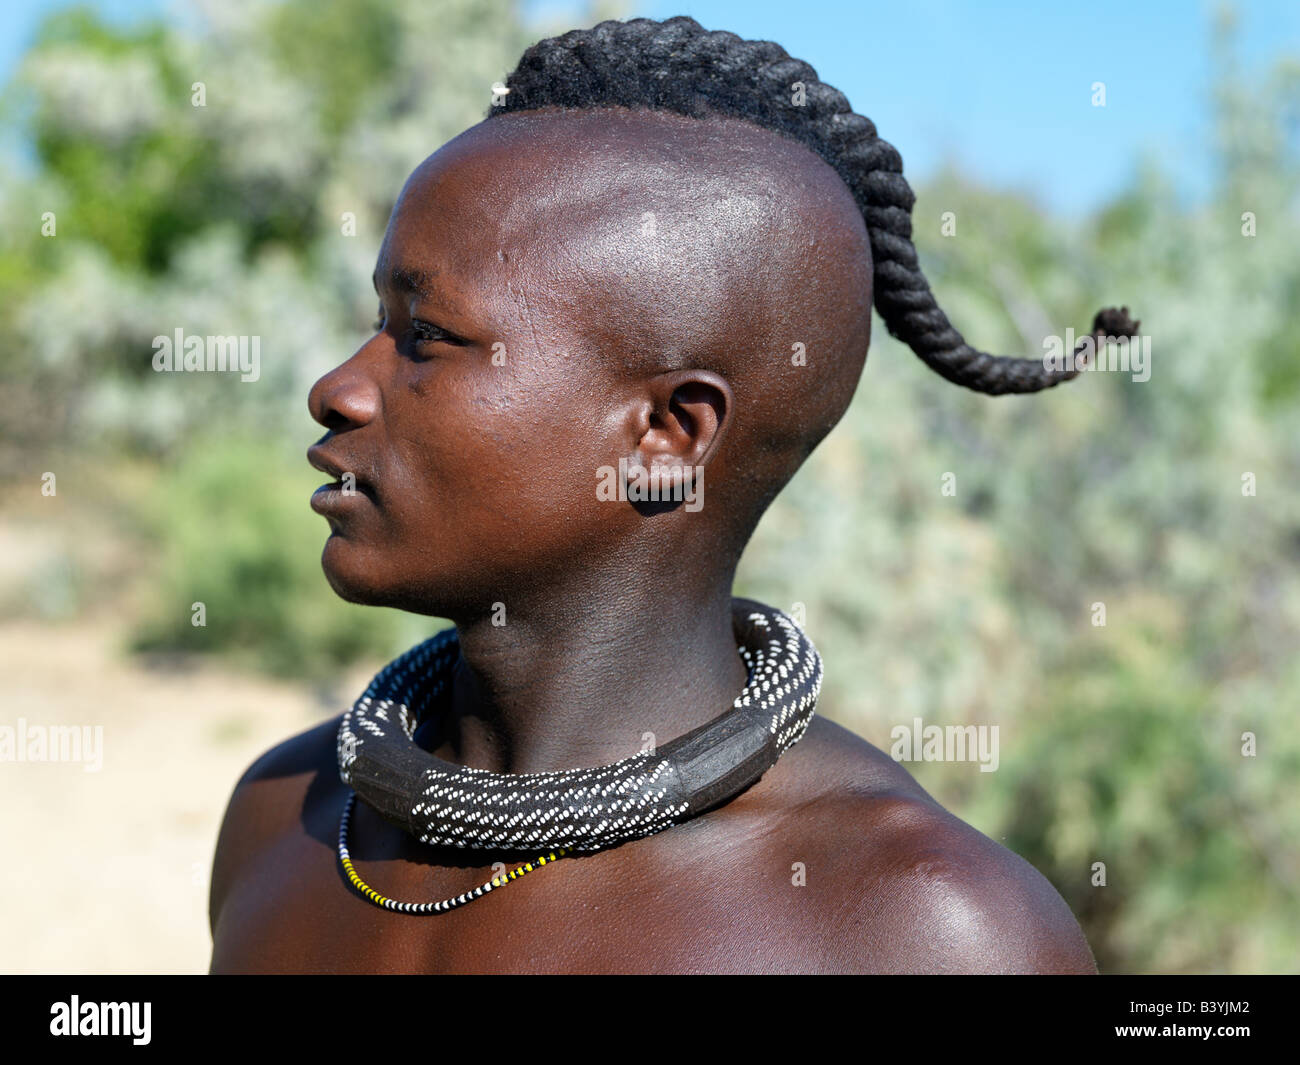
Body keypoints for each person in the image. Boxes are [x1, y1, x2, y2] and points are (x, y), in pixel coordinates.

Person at [209, 16, 1132, 974]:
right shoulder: (289, 813)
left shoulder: (920, 929)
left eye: (426, 335)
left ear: (667, 435)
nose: (338, 387)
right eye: (378, 320)